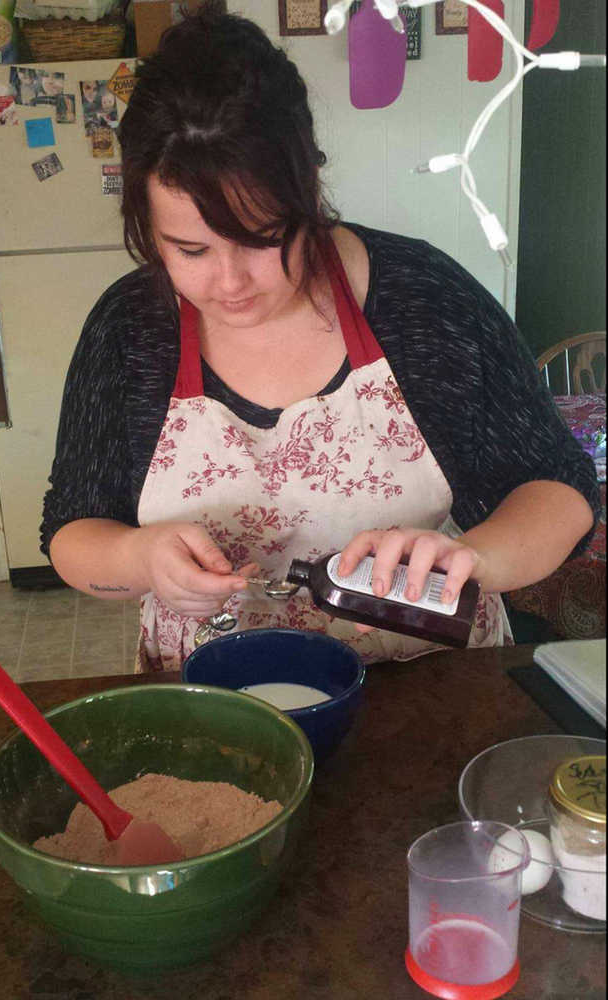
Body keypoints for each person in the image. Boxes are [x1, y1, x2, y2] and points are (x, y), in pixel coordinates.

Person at [40, 2, 599, 671]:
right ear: (146, 224)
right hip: (216, 702)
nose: (229, 283)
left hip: (427, 686)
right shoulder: (127, 331)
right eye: (189, 250)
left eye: (262, 240)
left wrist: (475, 557)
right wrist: (136, 558)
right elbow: (72, 530)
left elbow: (559, 489)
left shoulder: (423, 299)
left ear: (306, 194)